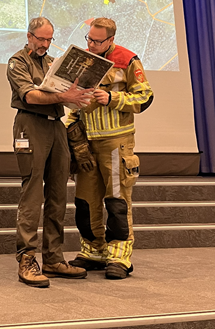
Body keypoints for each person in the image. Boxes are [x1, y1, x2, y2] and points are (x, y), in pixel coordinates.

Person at [7, 17, 95, 287]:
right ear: (29, 35)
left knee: (58, 194)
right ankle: (27, 259)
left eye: (49, 39)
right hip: (30, 124)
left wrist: (79, 94)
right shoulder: (17, 62)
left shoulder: (53, 64)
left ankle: (54, 259)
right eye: (41, 39)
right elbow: (31, 97)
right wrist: (64, 97)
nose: (45, 44)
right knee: (33, 192)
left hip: (56, 126)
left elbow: (67, 96)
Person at [65, 17, 153, 280]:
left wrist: (113, 98)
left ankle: (119, 256)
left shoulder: (128, 60)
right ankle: (93, 251)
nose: (91, 44)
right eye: (88, 39)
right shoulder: (81, 59)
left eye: (96, 40)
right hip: (86, 142)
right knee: (84, 201)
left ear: (111, 40)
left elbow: (145, 96)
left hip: (117, 142)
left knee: (116, 202)